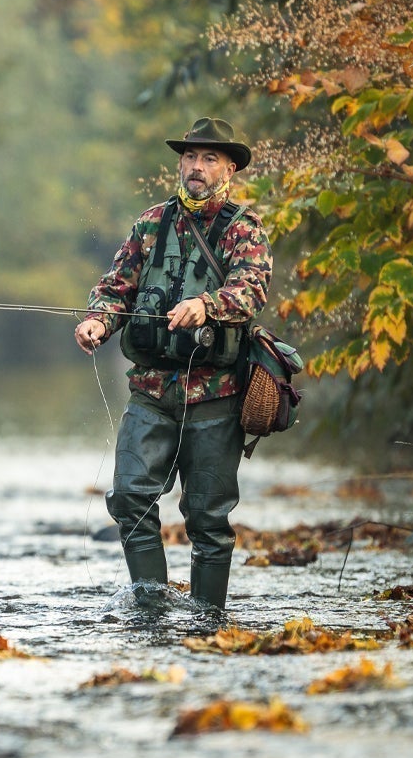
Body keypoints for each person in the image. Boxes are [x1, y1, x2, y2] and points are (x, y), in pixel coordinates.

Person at [73, 117, 271, 612]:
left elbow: (251, 290)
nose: (196, 167)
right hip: (151, 389)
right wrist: (99, 320)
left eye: (208, 159)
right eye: (189, 157)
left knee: (208, 519)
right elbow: (117, 287)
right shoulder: (149, 223)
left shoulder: (243, 228)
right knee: (130, 501)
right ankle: (151, 608)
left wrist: (208, 305)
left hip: (217, 395)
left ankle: (209, 619)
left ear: (229, 168)